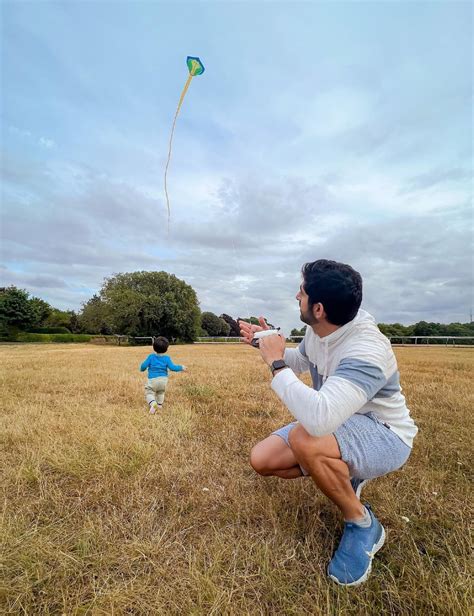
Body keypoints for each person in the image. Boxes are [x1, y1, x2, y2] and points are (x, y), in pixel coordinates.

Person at [239, 259, 417, 586]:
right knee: (262, 460)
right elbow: (301, 361)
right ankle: (342, 472)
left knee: (306, 439)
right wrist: (264, 344)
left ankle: (362, 523)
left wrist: (276, 363)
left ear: (318, 308)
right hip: (342, 425)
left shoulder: (366, 348)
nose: (296, 296)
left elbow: (319, 420)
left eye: (302, 292)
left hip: (385, 434)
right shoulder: (320, 330)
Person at [139, 336, 186, 414]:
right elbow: (173, 367)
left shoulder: (151, 357)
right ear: (166, 349)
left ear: (153, 347)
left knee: (149, 392)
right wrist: (181, 367)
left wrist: (142, 369)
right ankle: (159, 405)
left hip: (153, 380)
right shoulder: (167, 358)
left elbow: (143, 366)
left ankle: (153, 403)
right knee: (161, 392)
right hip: (163, 380)